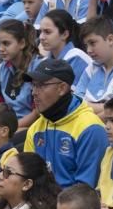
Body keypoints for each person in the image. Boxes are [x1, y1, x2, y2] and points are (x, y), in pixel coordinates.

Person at [24, 59, 108, 188]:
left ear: (62, 88)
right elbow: (28, 178)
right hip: (40, 202)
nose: (34, 92)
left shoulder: (90, 129)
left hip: (75, 205)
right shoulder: (35, 129)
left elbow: (85, 190)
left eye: (41, 85)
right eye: (33, 85)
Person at [0, 19, 40, 131]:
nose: (1, 49)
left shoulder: (38, 67)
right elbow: (2, 106)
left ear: (22, 43)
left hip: (31, 126)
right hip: (7, 125)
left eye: (6, 43)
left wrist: (9, 129)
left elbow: (37, 113)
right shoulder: (2, 68)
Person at [38, 10, 92, 84]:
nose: (41, 37)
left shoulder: (77, 57)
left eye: (47, 32)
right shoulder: (45, 61)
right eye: (40, 32)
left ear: (65, 34)